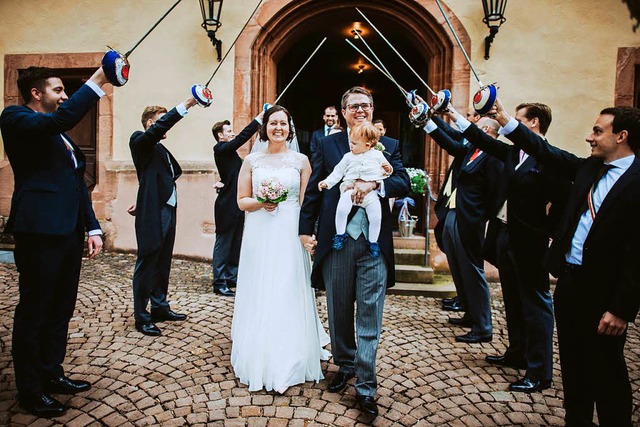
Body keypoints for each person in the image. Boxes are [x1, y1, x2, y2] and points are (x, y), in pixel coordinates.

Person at [492, 99, 640, 427]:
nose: (590, 136)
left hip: (605, 291)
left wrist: (621, 309)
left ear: (621, 136)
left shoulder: (636, 181)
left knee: (607, 371)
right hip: (570, 282)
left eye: (598, 131)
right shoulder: (588, 168)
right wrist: (506, 122)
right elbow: (546, 152)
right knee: (573, 369)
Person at [0, 66, 111, 417]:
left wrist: (92, 228)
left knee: (61, 308)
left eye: (67, 91)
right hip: (39, 230)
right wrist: (96, 82)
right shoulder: (16, 117)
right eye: (59, 90)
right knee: (35, 310)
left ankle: (52, 373)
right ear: (36, 93)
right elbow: (55, 121)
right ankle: (31, 390)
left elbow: (77, 185)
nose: (64, 96)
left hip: (68, 231)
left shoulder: (63, 138)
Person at [300, 87, 409, 417]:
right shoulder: (329, 143)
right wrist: (305, 229)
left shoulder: (388, 145)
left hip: (374, 245)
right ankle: (344, 364)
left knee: (370, 314)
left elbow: (402, 180)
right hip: (338, 242)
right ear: (344, 112)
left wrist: (376, 185)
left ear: (373, 109)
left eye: (366, 105)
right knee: (338, 309)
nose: (360, 110)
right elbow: (317, 186)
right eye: (354, 106)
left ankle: (366, 385)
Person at [443, 102, 568, 393]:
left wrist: (546, 234)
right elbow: (480, 139)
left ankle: (539, 370)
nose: (510, 122)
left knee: (536, 304)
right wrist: (452, 114)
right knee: (513, 298)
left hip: (530, 241)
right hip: (505, 237)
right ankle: (517, 353)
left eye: (518, 118)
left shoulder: (547, 159)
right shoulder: (515, 153)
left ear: (533, 123)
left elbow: (563, 201)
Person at [231, 105, 330, 394]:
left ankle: (292, 353)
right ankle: (257, 348)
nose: (278, 128)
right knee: (260, 286)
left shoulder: (301, 161)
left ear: (290, 128)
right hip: (259, 233)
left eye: (283, 124)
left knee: (287, 286)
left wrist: (308, 235)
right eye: (273, 123)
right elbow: (241, 201)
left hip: (289, 232)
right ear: (265, 128)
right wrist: (262, 202)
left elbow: (306, 203)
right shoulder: (251, 160)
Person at [422, 114, 502, 343]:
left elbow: (495, 193)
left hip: (470, 220)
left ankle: (483, 326)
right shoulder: (472, 150)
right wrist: (429, 119)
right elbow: (450, 141)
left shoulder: (493, 155)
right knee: (458, 267)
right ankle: (469, 312)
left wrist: (479, 217)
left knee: (472, 271)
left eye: (476, 127)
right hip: (454, 214)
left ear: (485, 130)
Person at [129, 94, 197, 337]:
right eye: (161, 120)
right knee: (147, 261)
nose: (165, 124)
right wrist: (185, 106)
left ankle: (159, 306)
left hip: (167, 208)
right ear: (150, 123)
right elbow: (158, 131)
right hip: (154, 212)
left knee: (163, 260)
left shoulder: (160, 149)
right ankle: (141, 316)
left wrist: (145, 196)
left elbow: (158, 177)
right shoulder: (140, 140)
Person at [319, 122, 392, 258]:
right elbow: (338, 172)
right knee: (341, 210)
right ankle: (340, 234)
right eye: (350, 142)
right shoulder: (348, 156)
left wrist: (387, 169)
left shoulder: (377, 155)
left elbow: (386, 171)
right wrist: (327, 183)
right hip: (350, 189)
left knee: (376, 217)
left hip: (371, 194)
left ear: (368, 145)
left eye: (354, 143)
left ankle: (373, 242)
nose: (351, 145)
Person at [211, 112, 264, 297]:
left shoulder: (230, 154)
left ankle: (232, 277)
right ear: (220, 135)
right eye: (229, 131)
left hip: (237, 203)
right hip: (226, 204)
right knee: (224, 242)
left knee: (235, 242)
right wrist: (257, 121)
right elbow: (241, 139)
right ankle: (219, 281)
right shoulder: (220, 148)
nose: (232, 133)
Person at [441, 107, 481, 312]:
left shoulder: (481, 148)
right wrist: (428, 119)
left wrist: (429, 122)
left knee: (467, 264)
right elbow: (451, 134)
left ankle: (473, 310)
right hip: (452, 206)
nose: (467, 118)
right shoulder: (468, 141)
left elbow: (451, 144)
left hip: (466, 214)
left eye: (470, 116)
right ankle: (464, 300)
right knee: (456, 260)